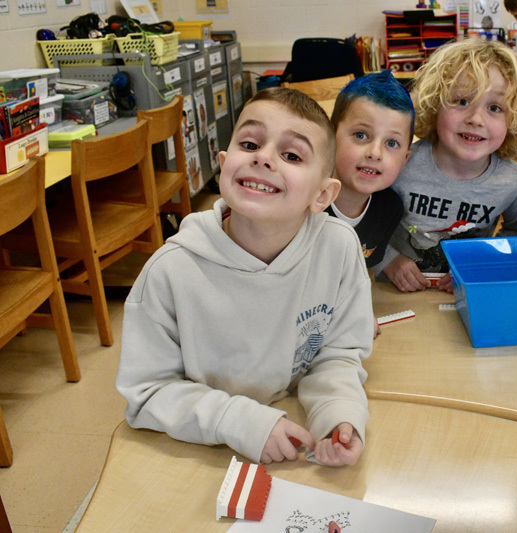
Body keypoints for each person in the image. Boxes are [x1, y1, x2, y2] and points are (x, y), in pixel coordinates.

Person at [116, 87, 372, 467]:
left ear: (322, 195)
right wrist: (237, 420)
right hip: (197, 447)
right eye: (250, 144)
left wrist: (339, 414)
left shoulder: (339, 249)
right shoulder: (169, 271)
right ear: (224, 163)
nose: (264, 159)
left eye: (291, 155)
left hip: (290, 434)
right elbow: (147, 391)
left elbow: (337, 353)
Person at [378, 38, 517, 293]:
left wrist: (484, 264)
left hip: (468, 296)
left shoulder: (514, 182)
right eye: (462, 101)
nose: (475, 119)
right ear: (435, 105)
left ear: (514, 119)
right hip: (395, 292)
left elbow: (516, 231)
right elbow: (362, 217)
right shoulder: (400, 164)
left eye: (495, 107)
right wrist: (388, 260)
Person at [327, 70, 414, 272]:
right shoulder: (301, 201)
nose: (375, 153)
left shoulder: (389, 209)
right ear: (330, 137)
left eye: (391, 142)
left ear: (405, 159)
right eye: (361, 135)